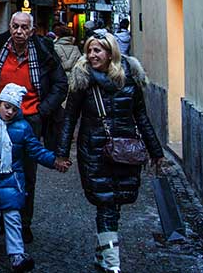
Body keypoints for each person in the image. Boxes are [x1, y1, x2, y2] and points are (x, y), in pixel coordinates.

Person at [56, 30, 164, 273]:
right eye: (89, 50)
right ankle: (113, 265)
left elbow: (142, 117)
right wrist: (62, 153)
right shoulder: (82, 79)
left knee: (114, 205)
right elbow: (70, 117)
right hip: (94, 151)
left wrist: (156, 151)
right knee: (106, 203)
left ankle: (102, 253)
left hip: (126, 152)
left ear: (110, 52)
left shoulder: (130, 78)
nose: (92, 55)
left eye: (97, 50)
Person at [0, 12, 67, 243]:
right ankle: (0, 219)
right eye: (15, 26)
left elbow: (60, 84)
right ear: (9, 27)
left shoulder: (43, 52)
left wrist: (41, 110)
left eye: (24, 27)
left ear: (32, 30)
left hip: (29, 120)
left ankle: (23, 223)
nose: (19, 31)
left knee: (27, 174)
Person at [0, 83, 71, 273]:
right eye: (7, 107)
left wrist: (54, 161)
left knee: (12, 216)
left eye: (14, 109)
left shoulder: (23, 127)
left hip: (11, 180)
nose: (10, 112)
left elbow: (36, 150)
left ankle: (17, 255)